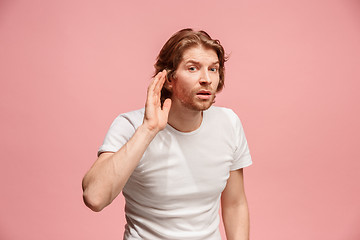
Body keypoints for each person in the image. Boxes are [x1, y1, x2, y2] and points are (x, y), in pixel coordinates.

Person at [82, 28, 252, 240]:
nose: (206, 79)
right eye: (193, 68)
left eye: (213, 69)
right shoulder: (129, 125)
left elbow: (235, 204)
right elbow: (94, 197)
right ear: (169, 79)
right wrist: (148, 130)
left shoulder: (229, 123)